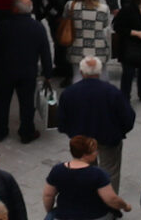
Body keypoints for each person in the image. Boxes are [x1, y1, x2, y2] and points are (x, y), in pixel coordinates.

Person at [56, 58, 135, 189]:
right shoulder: (112, 92)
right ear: (99, 72)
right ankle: (109, 202)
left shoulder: (69, 93)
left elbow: (61, 120)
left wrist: (72, 134)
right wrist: (119, 133)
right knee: (110, 171)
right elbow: (128, 117)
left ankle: (89, 199)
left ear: (81, 72)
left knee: (85, 170)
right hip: (108, 138)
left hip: (81, 139)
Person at [0, 0, 56, 143]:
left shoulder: (4, 26)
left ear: (15, 9)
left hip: (5, 71)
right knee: (27, 103)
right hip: (28, 72)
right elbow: (45, 52)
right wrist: (47, 74)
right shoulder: (37, 27)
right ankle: (26, 132)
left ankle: (0, 131)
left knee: (1, 101)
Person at [43, 134, 131, 220]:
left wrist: (50, 211)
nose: (96, 153)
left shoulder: (58, 170)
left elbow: (48, 195)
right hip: (95, 215)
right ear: (85, 154)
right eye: (94, 151)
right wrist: (125, 206)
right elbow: (111, 199)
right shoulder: (98, 174)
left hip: (64, 215)